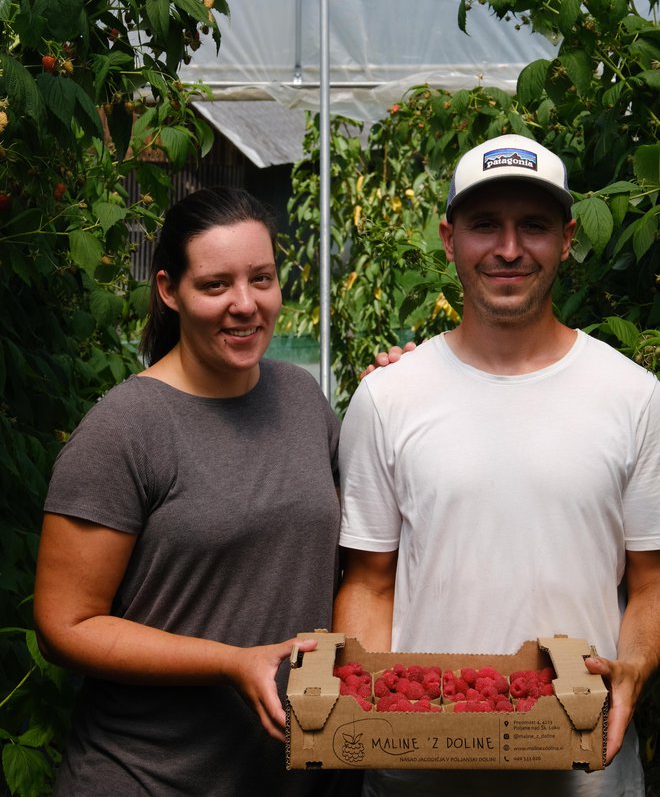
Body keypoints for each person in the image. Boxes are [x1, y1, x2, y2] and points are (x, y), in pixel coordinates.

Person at [333, 134, 660, 797]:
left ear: (568, 239)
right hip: (417, 775)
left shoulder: (633, 397)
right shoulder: (389, 398)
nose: (509, 249)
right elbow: (369, 583)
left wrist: (631, 667)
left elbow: (651, 584)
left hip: (583, 773)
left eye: (533, 226)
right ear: (449, 238)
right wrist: (365, 701)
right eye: (485, 225)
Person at [34, 187, 360, 796]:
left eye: (261, 278)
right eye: (215, 285)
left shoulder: (301, 398)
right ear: (168, 290)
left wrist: (398, 394)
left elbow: (365, 541)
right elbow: (64, 624)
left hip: (286, 778)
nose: (245, 304)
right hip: (148, 776)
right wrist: (233, 662)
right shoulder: (126, 428)